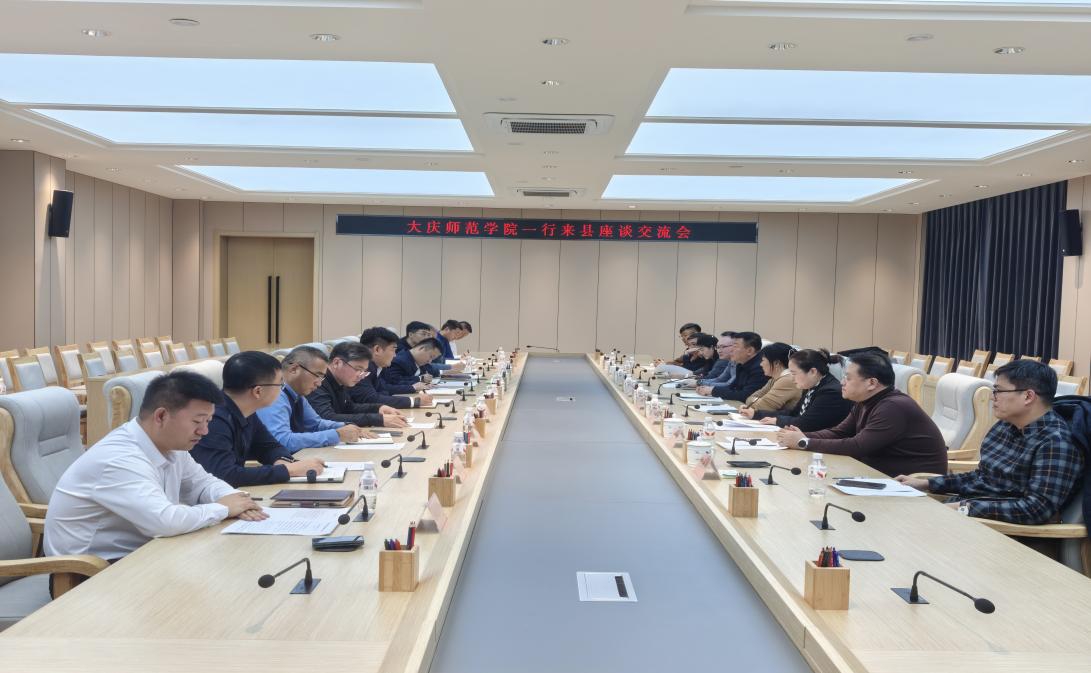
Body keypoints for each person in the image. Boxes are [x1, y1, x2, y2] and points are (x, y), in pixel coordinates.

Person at [45, 371, 268, 562]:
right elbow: (165, 521)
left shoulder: (173, 446)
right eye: (197, 421)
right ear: (161, 416)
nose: (204, 431)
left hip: (142, 555)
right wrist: (224, 508)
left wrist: (237, 501)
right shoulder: (120, 458)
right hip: (88, 573)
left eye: (208, 421)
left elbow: (203, 483)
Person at [896, 360, 1084, 524]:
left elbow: (1036, 509)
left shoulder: (1056, 442)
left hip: (1003, 531)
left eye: (999, 391)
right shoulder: (1005, 426)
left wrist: (965, 508)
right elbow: (982, 477)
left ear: (1028, 396)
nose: (993, 397)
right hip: (968, 515)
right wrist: (926, 483)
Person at [777, 352, 947, 477]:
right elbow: (839, 432)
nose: (842, 382)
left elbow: (857, 446)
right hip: (878, 475)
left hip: (911, 483)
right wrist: (800, 436)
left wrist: (804, 442)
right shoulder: (865, 401)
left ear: (872, 383)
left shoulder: (893, 407)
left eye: (848, 378)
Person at [192, 352, 326, 487]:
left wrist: (281, 461)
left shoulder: (246, 410)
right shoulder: (213, 419)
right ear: (258, 391)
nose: (282, 390)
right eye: (280, 384)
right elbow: (223, 475)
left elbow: (268, 446)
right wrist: (288, 470)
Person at [256, 346, 371, 453]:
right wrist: (337, 435)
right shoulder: (274, 394)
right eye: (317, 375)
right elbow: (282, 441)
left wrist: (346, 426)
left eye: (322, 377)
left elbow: (316, 424)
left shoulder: (297, 394)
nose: (319, 383)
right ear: (294, 369)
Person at [309, 342, 409, 428]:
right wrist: (377, 419)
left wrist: (378, 408)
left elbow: (348, 408)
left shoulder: (341, 380)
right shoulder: (317, 382)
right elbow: (327, 417)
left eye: (364, 371)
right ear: (337, 363)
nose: (361, 376)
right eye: (357, 369)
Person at [750, 348, 852, 431]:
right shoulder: (812, 386)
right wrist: (757, 414)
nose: (792, 378)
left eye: (794, 373)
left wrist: (777, 420)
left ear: (812, 372)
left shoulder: (830, 392)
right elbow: (794, 413)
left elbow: (806, 423)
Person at [352, 326, 434, 410]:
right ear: (377, 350)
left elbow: (384, 389)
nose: (395, 355)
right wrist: (413, 401)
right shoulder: (361, 368)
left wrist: (411, 392)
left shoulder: (378, 366)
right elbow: (371, 399)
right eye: (393, 350)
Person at [700, 332, 769, 403]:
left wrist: (713, 391)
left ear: (750, 351)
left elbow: (746, 395)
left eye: (735, 346)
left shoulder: (760, 367)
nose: (731, 350)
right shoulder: (741, 364)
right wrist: (711, 389)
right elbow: (732, 387)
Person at [737, 342, 801, 413]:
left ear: (776, 363)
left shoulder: (787, 380)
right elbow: (749, 399)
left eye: (763, 360)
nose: (761, 364)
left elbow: (763, 407)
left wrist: (759, 401)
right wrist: (759, 401)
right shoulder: (774, 379)